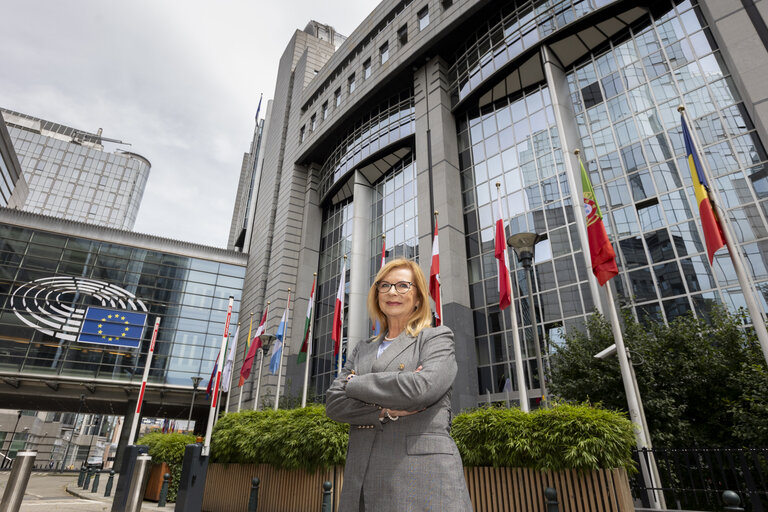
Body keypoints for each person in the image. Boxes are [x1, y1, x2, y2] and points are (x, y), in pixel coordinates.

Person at [326, 258, 472, 511]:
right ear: (376, 295)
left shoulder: (436, 338)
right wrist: (384, 411)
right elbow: (334, 403)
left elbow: (421, 389)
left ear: (418, 298)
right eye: (385, 286)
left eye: (403, 285)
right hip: (361, 476)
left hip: (420, 476)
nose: (392, 292)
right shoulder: (363, 348)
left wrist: (355, 383)